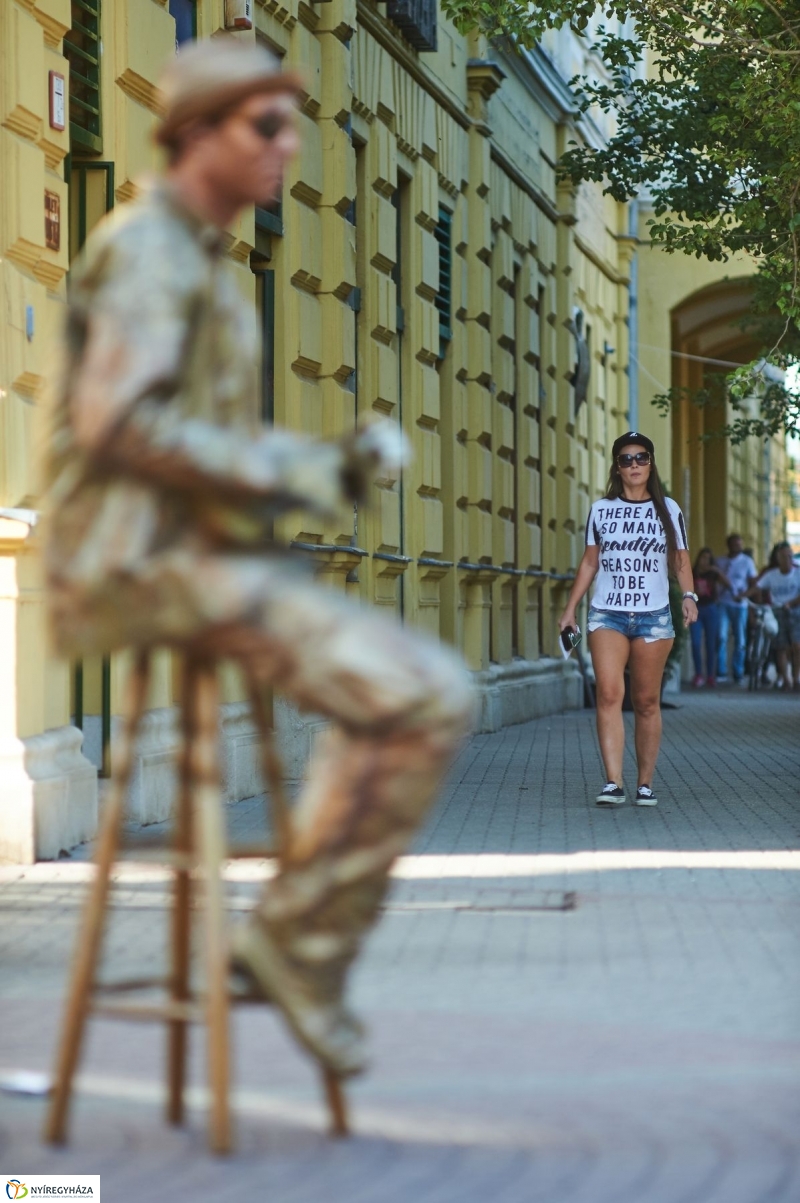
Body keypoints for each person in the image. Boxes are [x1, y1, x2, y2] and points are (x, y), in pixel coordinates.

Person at [42, 38, 474, 1079]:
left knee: (412, 691)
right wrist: (299, 474)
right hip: (134, 566)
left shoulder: (215, 270)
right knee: (422, 691)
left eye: (292, 124)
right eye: (265, 125)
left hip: (194, 558)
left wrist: (327, 464)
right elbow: (120, 423)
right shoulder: (149, 250)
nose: (288, 147)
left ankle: (291, 942)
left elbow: (214, 445)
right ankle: (296, 947)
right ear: (197, 134)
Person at [559, 432, 697, 807]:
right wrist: (571, 608)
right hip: (608, 613)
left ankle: (645, 783)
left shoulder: (668, 508)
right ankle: (613, 782)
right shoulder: (601, 510)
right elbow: (590, 561)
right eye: (626, 459)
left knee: (647, 701)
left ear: (650, 463)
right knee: (608, 694)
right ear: (617, 468)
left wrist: (689, 595)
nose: (634, 465)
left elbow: (680, 560)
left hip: (653, 616)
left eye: (641, 458)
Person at [747, 541, 800, 691]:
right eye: (784, 556)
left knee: (797, 646)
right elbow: (756, 587)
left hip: (795, 612)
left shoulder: (797, 572)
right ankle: (786, 679)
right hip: (776, 612)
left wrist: (791, 603)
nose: (787, 559)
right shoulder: (770, 574)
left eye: (790, 556)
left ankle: (797, 679)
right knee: (781, 647)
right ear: (778, 558)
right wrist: (742, 596)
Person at [716, 534, 758, 683]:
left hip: (740, 606)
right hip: (723, 603)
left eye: (739, 544)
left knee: (740, 640)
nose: (738, 547)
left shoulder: (747, 562)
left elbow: (755, 585)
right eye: (734, 544)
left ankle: (738, 672)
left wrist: (744, 595)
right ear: (729, 545)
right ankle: (721, 671)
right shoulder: (720, 561)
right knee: (721, 637)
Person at [689, 547, 729, 687]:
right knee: (695, 642)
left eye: (708, 559)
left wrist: (718, 572)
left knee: (711, 644)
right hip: (696, 609)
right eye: (703, 557)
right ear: (698, 558)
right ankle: (699, 674)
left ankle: (710, 676)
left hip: (711, 609)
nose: (705, 561)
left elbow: (728, 585)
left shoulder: (713, 573)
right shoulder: (693, 572)